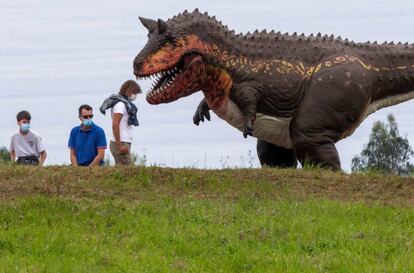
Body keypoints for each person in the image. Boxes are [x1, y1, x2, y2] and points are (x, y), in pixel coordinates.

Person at [100, 80, 141, 165]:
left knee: (122, 171)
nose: (135, 96)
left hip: (124, 141)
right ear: (128, 91)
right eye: (134, 92)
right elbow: (115, 124)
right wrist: (119, 145)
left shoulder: (126, 104)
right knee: (131, 171)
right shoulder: (120, 105)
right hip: (120, 142)